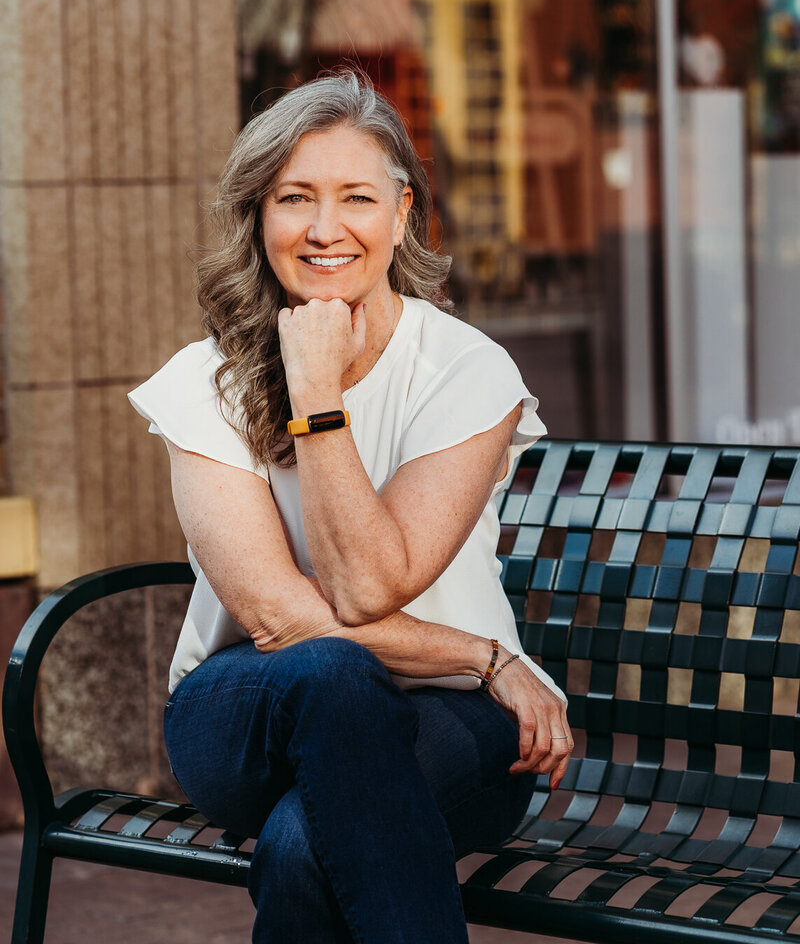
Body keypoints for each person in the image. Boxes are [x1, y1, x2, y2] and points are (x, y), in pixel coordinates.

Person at [128, 71, 572, 944]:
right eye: (295, 198)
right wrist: (487, 655)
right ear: (260, 218)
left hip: (455, 724)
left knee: (302, 844)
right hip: (252, 708)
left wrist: (316, 395)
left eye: (356, 198)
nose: (326, 229)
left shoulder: (464, 372)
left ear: (400, 215)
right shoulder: (203, 380)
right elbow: (278, 620)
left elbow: (367, 585)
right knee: (331, 675)